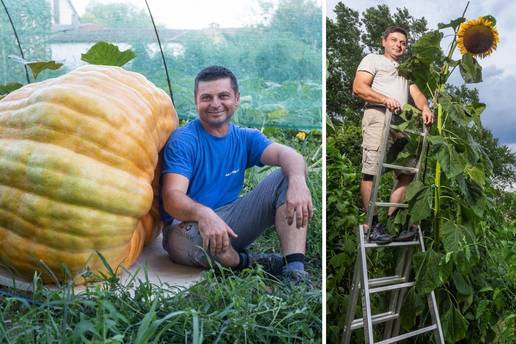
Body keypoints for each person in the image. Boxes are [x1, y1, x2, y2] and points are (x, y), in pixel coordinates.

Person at [160, 65, 313, 283]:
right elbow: (172, 198)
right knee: (182, 240)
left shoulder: (245, 137)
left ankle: (295, 272)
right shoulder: (183, 140)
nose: (215, 104)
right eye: (206, 97)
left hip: (231, 221)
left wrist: (298, 183)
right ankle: (245, 261)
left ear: (237, 98)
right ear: (196, 101)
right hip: (189, 227)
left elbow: (289, 154)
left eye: (223, 96)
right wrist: (204, 215)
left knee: (288, 174)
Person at [352, 26, 434, 244]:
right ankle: (373, 224)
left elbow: (417, 95)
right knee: (371, 171)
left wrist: (425, 108)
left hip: (402, 124)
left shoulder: (406, 71)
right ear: (384, 41)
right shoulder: (373, 60)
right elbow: (359, 87)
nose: (399, 44)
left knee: (408, 171)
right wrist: (384, 99)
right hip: (379, 116)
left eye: (403, 42)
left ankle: (392, 219)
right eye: (394, 40)